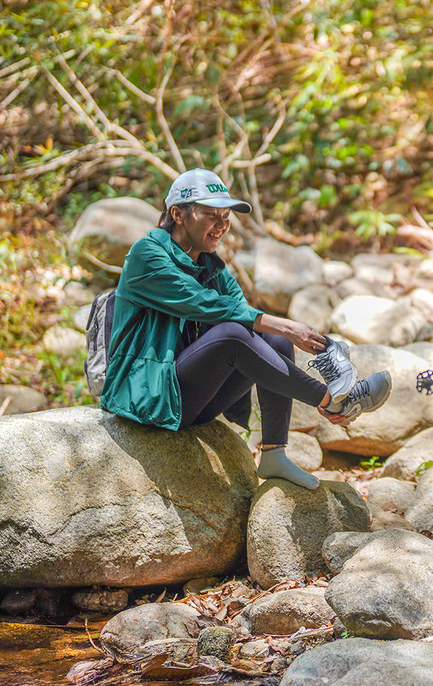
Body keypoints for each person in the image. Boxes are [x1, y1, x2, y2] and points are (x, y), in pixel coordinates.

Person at [100, 169, 391, 488]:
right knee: (234, 337)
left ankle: (274, 454)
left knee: (274, 340)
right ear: (177, 215)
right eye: (211, 214)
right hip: (151, 395)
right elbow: (204, 304)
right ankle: (333, 403)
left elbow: (241, 310)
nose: (221, 225)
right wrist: (286, 325)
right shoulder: (147, 255)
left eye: (225, 216)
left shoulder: (210, 263)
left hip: (193, 399)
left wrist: (290, 333)